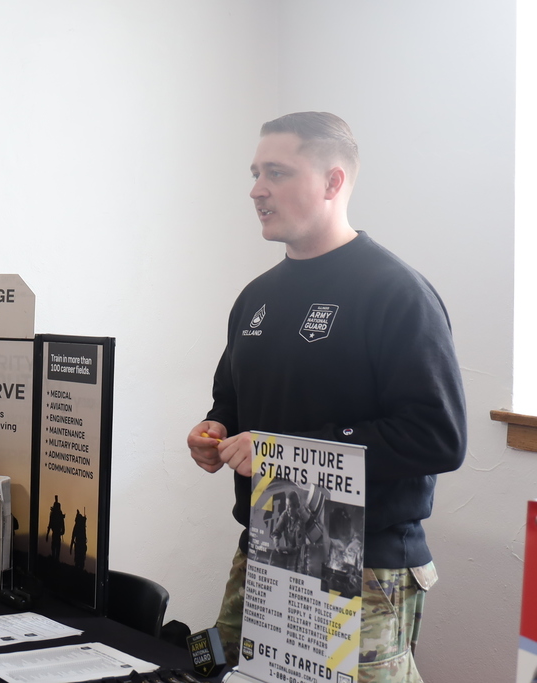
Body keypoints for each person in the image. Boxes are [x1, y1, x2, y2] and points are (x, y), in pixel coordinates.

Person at [186, 112, 466, 682]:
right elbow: (233, 406)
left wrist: (281, 449)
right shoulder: (256, 299)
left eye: (277, 172)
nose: (257, 189)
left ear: (334, 182)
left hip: (362, 564)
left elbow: (437, 435)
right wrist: (213, 433)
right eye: (256, 172)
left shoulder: (396, 293)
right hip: (266, 550)